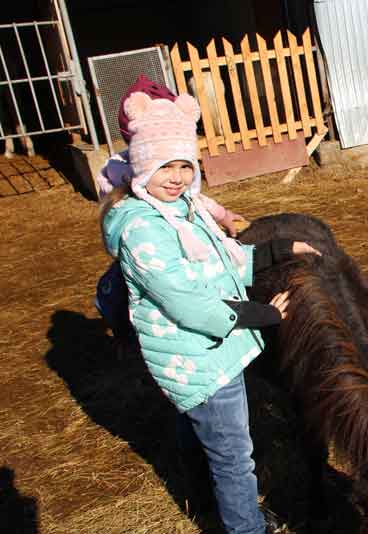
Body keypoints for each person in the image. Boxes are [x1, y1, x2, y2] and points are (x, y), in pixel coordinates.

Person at [100, 90, 318, 533]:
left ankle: (200, 501)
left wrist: (278, 249)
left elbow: (227, 258)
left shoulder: (184, 210)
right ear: (142, 166)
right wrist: (261, 315)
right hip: (199, 355)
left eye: (184, 165)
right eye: (165, 165)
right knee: (235, 456)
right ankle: (246, 526)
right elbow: (186, 302)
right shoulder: (143, 228)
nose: (177, 176)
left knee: (197, 429)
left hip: (201, 354)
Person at [95, 75, 245, 353]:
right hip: (148, 243)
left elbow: (195, 198)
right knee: (127, 287)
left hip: (178, 234)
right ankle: (122, 325)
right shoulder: (123, 167)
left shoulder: (171, 157)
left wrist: (222, 215)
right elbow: (113, 201)